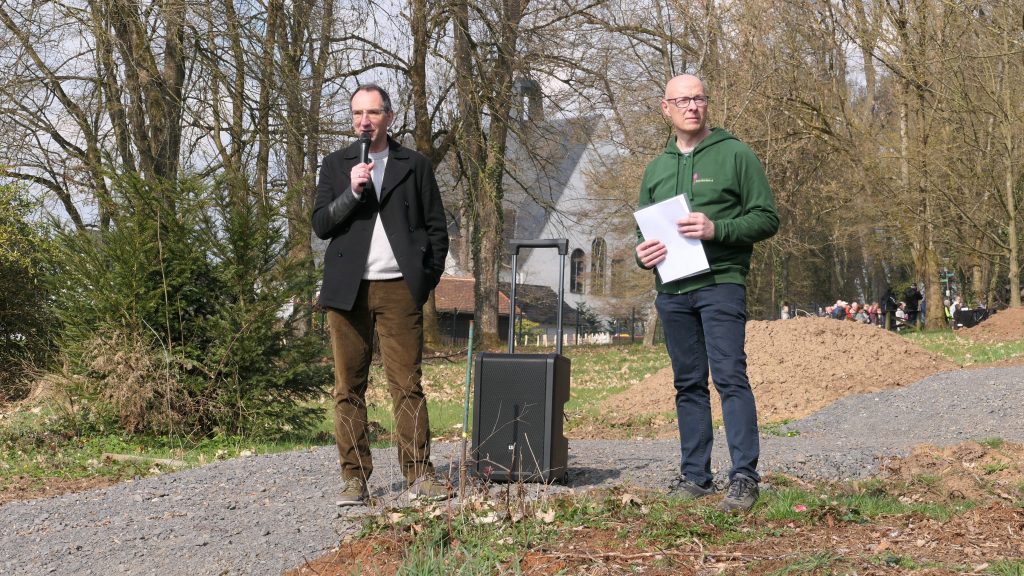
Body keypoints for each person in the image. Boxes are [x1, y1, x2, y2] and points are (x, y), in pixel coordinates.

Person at [634, 74, 779, 513]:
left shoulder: (735, 154)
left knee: (730, 378)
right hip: (673, 291)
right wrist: (643, 256)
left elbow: (766, 218)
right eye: (682, 100)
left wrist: (719, 229)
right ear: (666, 108)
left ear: (707, 104)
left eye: (698, 98)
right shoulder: (655, 168)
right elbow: (641, 232)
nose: (691, 107)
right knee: (687, 384)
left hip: (721, 283)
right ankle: (695, 476)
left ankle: (743, 478)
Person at [312, 84, 450, 506]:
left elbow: (437, 229)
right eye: (357, 113)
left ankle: (418, 473)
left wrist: (423, 281)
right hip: (346, 292)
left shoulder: (416, 165)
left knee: (407, 385)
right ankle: (355, 478)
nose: (364, 121)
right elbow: (320, 224)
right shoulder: (336, 166)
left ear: (389, 117)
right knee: (347, 388)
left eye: (372, 112)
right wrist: (352, 192)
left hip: (398, 291)